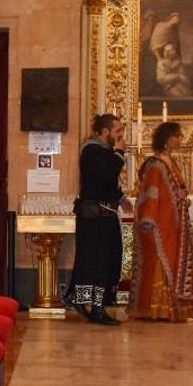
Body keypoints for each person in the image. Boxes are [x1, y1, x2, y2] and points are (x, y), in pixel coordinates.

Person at [131, 121, 193, 322]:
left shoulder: (173, 163)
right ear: (167, 139)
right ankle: (155, 309)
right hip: (158, 224)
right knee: (161, 263)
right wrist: (148, 219)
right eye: (177, 136)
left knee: (175, 263)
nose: (180, 139)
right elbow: (150, 193)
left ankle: (172, 308)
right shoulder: (155, 165)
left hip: (174, 223)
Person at [65, 114, 127, 325]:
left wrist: (121, 197)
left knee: (106, 260)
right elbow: (105, 176)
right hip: (94, 217)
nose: (121, 136)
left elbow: (108, 184)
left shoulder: (103, 152)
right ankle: (94, 307)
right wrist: (119, 154)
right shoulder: (91, 150)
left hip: (104, 216)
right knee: (95, 262)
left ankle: (89, 302)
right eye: (118, 131)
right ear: (105, 131)